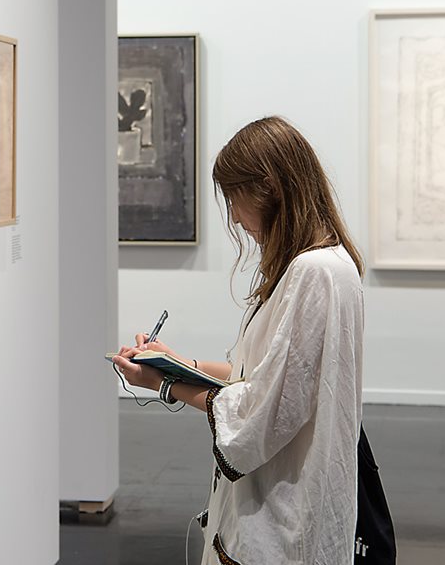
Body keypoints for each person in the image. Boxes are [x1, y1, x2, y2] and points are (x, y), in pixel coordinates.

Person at [112, 116, 365, 564]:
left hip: (286, 519)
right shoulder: (325, 265)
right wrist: (176, 361)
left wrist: (165, 385)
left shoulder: (314, 272)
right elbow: (269, 376)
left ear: (268, 188)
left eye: (235, 198)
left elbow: (267, 410)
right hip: (291, 505)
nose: (235, 216)